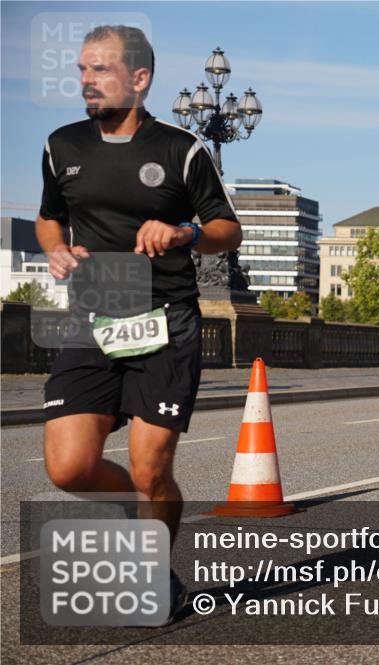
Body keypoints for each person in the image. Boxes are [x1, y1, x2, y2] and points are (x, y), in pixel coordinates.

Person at [37, 26, 242, 624]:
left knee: (153, 467)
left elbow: (228, 230)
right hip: (92, 311)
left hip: (165, 316)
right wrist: (54, 249)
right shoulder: (60, 145)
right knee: (69, 467)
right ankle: (133, 513)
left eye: (99, 70)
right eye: (82, 69)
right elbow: (52, 219)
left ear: (139, 78)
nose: (86, 81)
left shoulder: (182, 149)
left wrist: (186, 232)